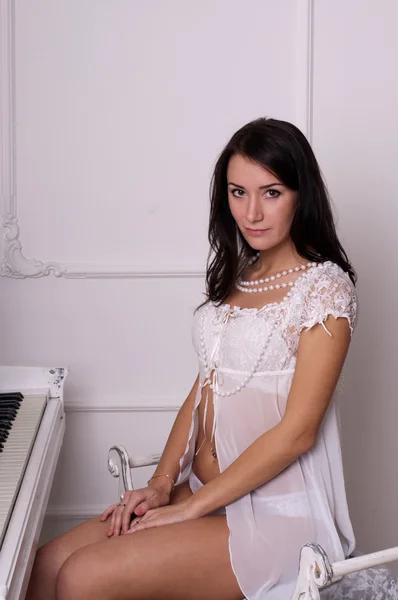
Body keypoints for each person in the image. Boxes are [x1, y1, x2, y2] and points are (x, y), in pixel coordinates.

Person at [26, 117, 358, 600]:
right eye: (237, 192)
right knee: (48, 564)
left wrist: (193, 506)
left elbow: (298, 432)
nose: (252, 213)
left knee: (83, 576)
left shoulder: (323, 288)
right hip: (202, 495)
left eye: (271, 192)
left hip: (277, 517)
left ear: (301, 195)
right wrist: (163, 484)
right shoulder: (241, 275)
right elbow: (206, 385)